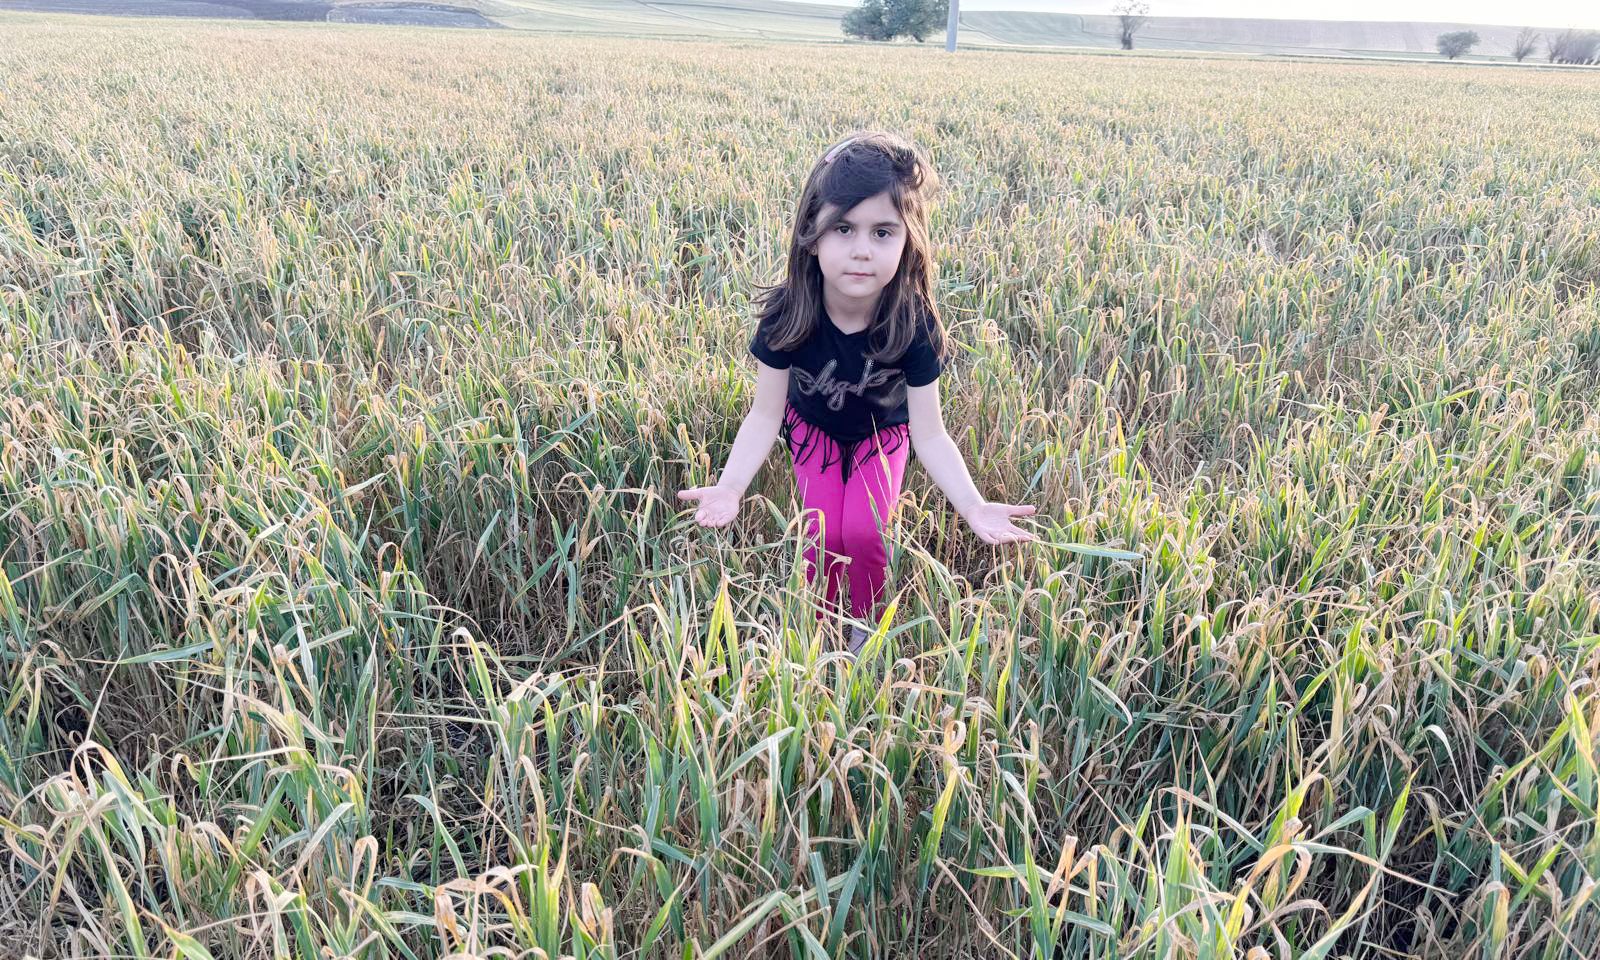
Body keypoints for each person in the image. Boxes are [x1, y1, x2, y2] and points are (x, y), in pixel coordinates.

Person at [678, 131, 1039, 654]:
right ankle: (821, 625)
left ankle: (863, 624)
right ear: (812, 234)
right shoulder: (788, 316)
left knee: (866, 536)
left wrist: (973, 504)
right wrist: (731, 487)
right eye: (844, 228)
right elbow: (764, 415)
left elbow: (930, 434)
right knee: (823, 535)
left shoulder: (913, 323)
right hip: (813, 433)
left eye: (883, 232)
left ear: (908, 240)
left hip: (881, 435)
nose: (862, 251)